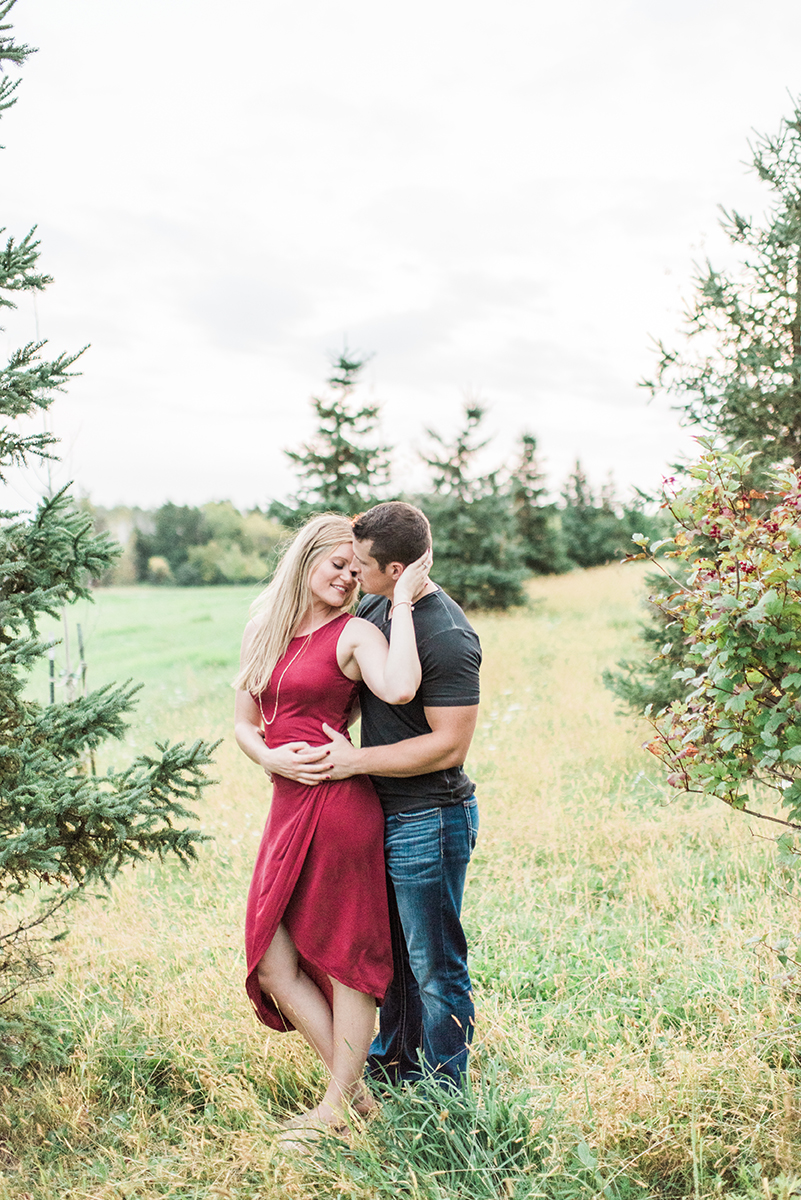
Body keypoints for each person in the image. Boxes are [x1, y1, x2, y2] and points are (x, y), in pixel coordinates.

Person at [233, 513, 430, 1132]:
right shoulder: (265, 625)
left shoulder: (354, 634)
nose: (348, 578)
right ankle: (359, 1099)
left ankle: (336, 1107)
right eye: (336, 565)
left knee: (348, 959)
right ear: (306, 559)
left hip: (338, 808)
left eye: (355, 568)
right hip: (286, 807)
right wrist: (266, 754)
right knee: (272, 961)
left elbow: (399, 688)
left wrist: (399, 605)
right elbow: (243, 721)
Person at [315, 501, 482, 1090]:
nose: (352, 574)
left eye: (362, 564)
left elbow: (448, 747)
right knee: (394, 961)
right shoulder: (375, 607)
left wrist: (354, 762)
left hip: (430, 819)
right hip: (380, 813)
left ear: (398, 569)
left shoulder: (448, 634)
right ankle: (393, 1070)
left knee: (436, 967)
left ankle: (443, 1092)